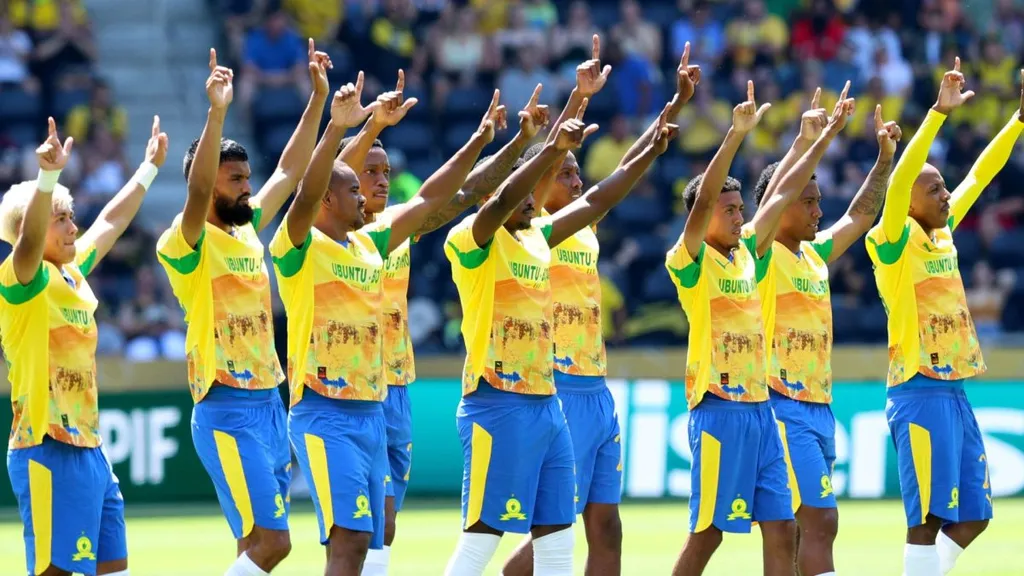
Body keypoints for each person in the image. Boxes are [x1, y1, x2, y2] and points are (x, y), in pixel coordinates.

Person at [272, 71, 502, 575]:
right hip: (324, 409)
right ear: (328, 201)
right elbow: (306, 193)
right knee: (350, 539)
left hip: (373, 406)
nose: (366, 197)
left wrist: (479, 141)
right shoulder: (298, 249)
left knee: (374, 535)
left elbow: (428, 201)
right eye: (354, 188)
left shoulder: (371, 244)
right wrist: (339, 128)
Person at [443, 97, 678, 576]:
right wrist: (547, 149)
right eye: (556, 176)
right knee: (484, 539)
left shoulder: (540, 237)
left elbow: (600, 198)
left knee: (565, 537)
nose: (569, 184)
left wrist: (650, 146)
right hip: (506, 395)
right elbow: (508, 198)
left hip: (556, 395)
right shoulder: (475, 237)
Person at [330, 69, 549, 576]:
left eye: (387, 172)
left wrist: (515, 141)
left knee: (383, 524)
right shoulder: (328, 240)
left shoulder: (398, 229)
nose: (382, 180)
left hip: (398, 385)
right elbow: (327, 175)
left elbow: (466, 193)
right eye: (371, 171)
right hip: (348, 391)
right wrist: (367, 130)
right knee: (366, 523)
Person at [502, 39, 696, 576]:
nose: (576, 177)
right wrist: (577, 101)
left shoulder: (582, 227)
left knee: (606, 527)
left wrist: (674, 110)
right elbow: (561, 165)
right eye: (566, 174)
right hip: (560, 384)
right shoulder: (534, 227)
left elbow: (624, 169)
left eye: (576, 173)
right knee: (557, 530)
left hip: (596, 384)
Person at [155, 43, 331, 576]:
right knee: (276, 543)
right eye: (237, 181)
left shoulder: (249, 229)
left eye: (247, 179)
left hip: (267, 403)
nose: (247, 187)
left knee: (253, 544)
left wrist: (318, 99)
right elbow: (201, 184)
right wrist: (216, 111)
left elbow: (290, 167)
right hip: (226, 407)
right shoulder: (187, 243)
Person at [664, 80, 846, 576]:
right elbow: (702, 206)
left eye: (741, 209)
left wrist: (814, 141)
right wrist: (735, 135)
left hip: (762, 409)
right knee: (708, 535)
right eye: (730, 211)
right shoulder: (689, 262)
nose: (740, 218)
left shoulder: (748, 255)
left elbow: (784, 191)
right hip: (718, 409)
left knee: (784, 527)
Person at [865, 59, 1024, 576]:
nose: (946, 194)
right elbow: (901, 179)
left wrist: (1019, 120)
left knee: (975, 515)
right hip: (917, 387)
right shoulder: (891, 241)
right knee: (928, 520)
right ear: (906, 200)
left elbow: (981, 171)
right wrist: (936, 114)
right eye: (933, 190)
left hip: (953, 388)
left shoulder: (943, 234)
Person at [2, 115, 167, 576]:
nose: (74, 227)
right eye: (62, 219)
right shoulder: (22, 280)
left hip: (89, 447)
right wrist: (47, 177)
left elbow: (111, 220)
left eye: (72, 216)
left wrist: (148, 169)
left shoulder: (72, 275)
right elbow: (30, 240)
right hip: (46, 445)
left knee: (114, 570)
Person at [752, 83, 901, 576]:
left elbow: (860, 215)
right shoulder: (763, 253)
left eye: (818, 201)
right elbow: (773, 200)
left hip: (818, 407)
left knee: (796, 529)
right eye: (809, 201)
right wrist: (813, 141)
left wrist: (883, 161)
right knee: (819, 520)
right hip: (781, 406)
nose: (819, 210)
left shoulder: (813, 257)